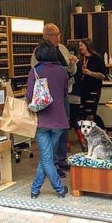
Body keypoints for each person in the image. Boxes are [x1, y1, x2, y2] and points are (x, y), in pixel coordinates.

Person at [32, 23, 77, 178]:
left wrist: (72, 64)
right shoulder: (39, 52)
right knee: (52, 132)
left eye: (59, 34)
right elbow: (38, 75)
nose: (58, 37)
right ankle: (53, 164)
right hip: (47, 99)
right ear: (45, 36)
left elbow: (71, 73)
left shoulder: (63, 49)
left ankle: (62, 159)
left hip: (63, 95)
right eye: (54, 34)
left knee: (64, 128)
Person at [26, 40, 69, 199]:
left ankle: (52, 189)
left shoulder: (35, 71)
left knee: (46, 157)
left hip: (42, 120)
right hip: (59, 120)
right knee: (48, 156)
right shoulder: (62, 71)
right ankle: (37, 189)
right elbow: (64, 93)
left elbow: (29, 96)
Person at [78, 38, 107, 126]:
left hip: (94, 89)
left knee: (90, 113)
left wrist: (90, 73)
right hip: (82, 90)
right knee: (82, 113)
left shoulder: (97, 58)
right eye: (79, 46)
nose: (80, 47)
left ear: (87, 45)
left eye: (81, 45)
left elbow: (103, 76)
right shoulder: (80, 59)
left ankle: (98, 132)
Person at [66, 42, 86, 151]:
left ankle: (67, 143)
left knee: (66, 120)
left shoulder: (67, 64)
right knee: (75, 118)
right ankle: (82, 141)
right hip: (77, 95)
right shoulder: (79, 64)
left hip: (67, 95)